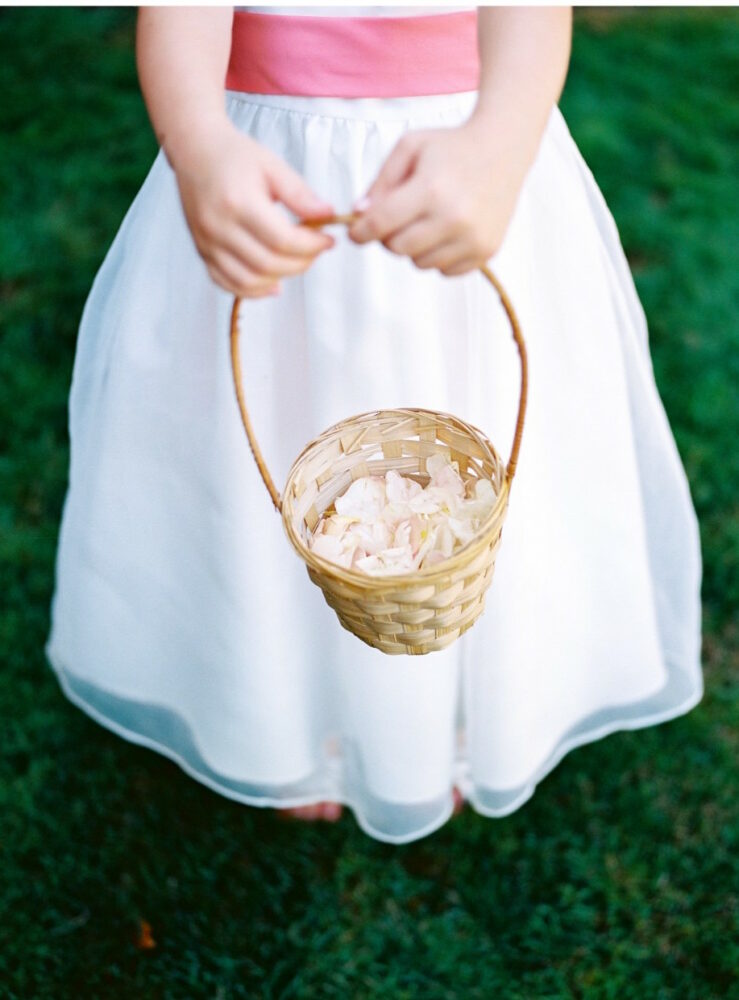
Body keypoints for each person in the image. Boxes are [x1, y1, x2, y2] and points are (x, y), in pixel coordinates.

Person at [45, 6, 704, 844]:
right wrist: (201, 151)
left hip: (464, 155)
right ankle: (279, 716)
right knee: (278, 452)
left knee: (474, 441)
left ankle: (470, 707)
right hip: (271, 163)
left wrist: (500, 145)